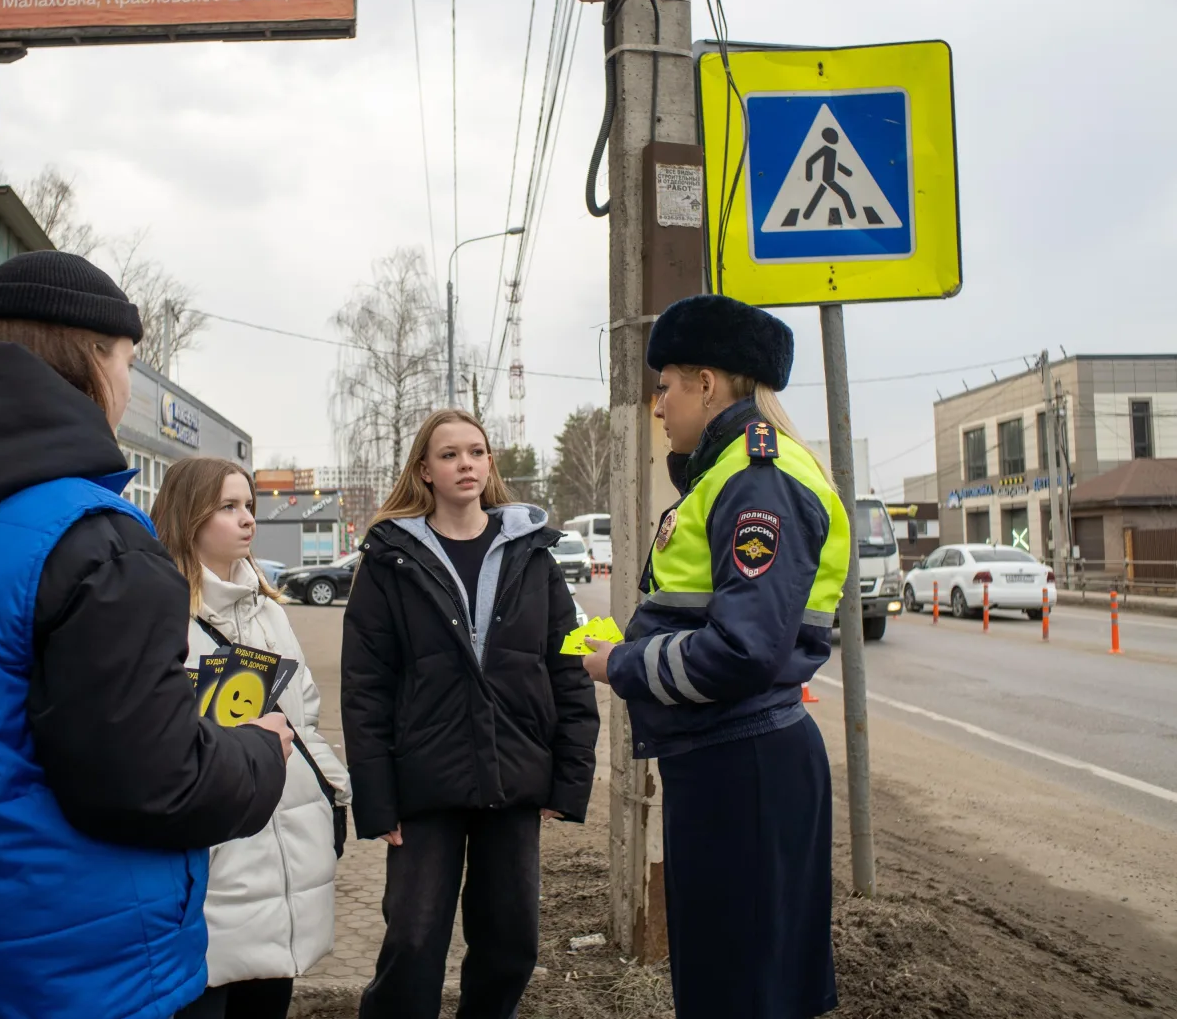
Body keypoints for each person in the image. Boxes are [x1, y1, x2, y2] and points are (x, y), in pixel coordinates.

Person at [0, 251, 293, 1019]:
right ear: (91, 357)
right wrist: (260, 749)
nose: (126, 385)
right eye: (127, 360)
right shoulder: (93, 541)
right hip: (97, 975)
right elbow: (157, 784)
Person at [581, 294, 849, 1019]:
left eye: (665, 383)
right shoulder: (731, 469)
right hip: (732, 758)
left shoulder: (756, 476)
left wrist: (622, 666)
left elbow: (743, 649)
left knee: (739, 990)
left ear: (708, 381)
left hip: (746, 766)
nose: (659, 404)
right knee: (737, 981)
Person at [341, 409, 600, 1019]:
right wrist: (376, 800)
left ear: (490, 464)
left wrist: (569, 778)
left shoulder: (533, 554)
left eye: (477, 452)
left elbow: (570, 665)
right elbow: (365, 688)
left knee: (512, 941)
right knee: (412, 939)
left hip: (514, 776)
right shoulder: (389, 560)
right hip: (423, 783)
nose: (466, 464)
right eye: (450, 454)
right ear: (424, 471)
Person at [151, 457, 352, 1019]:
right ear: (188, 517)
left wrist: (331, 795)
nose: (248, 521)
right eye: (229, 507)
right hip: (216, 860)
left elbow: (303, 717)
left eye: (250, 507)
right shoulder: (160, 615)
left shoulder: (270, 612)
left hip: (287, 846)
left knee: (268, 997)